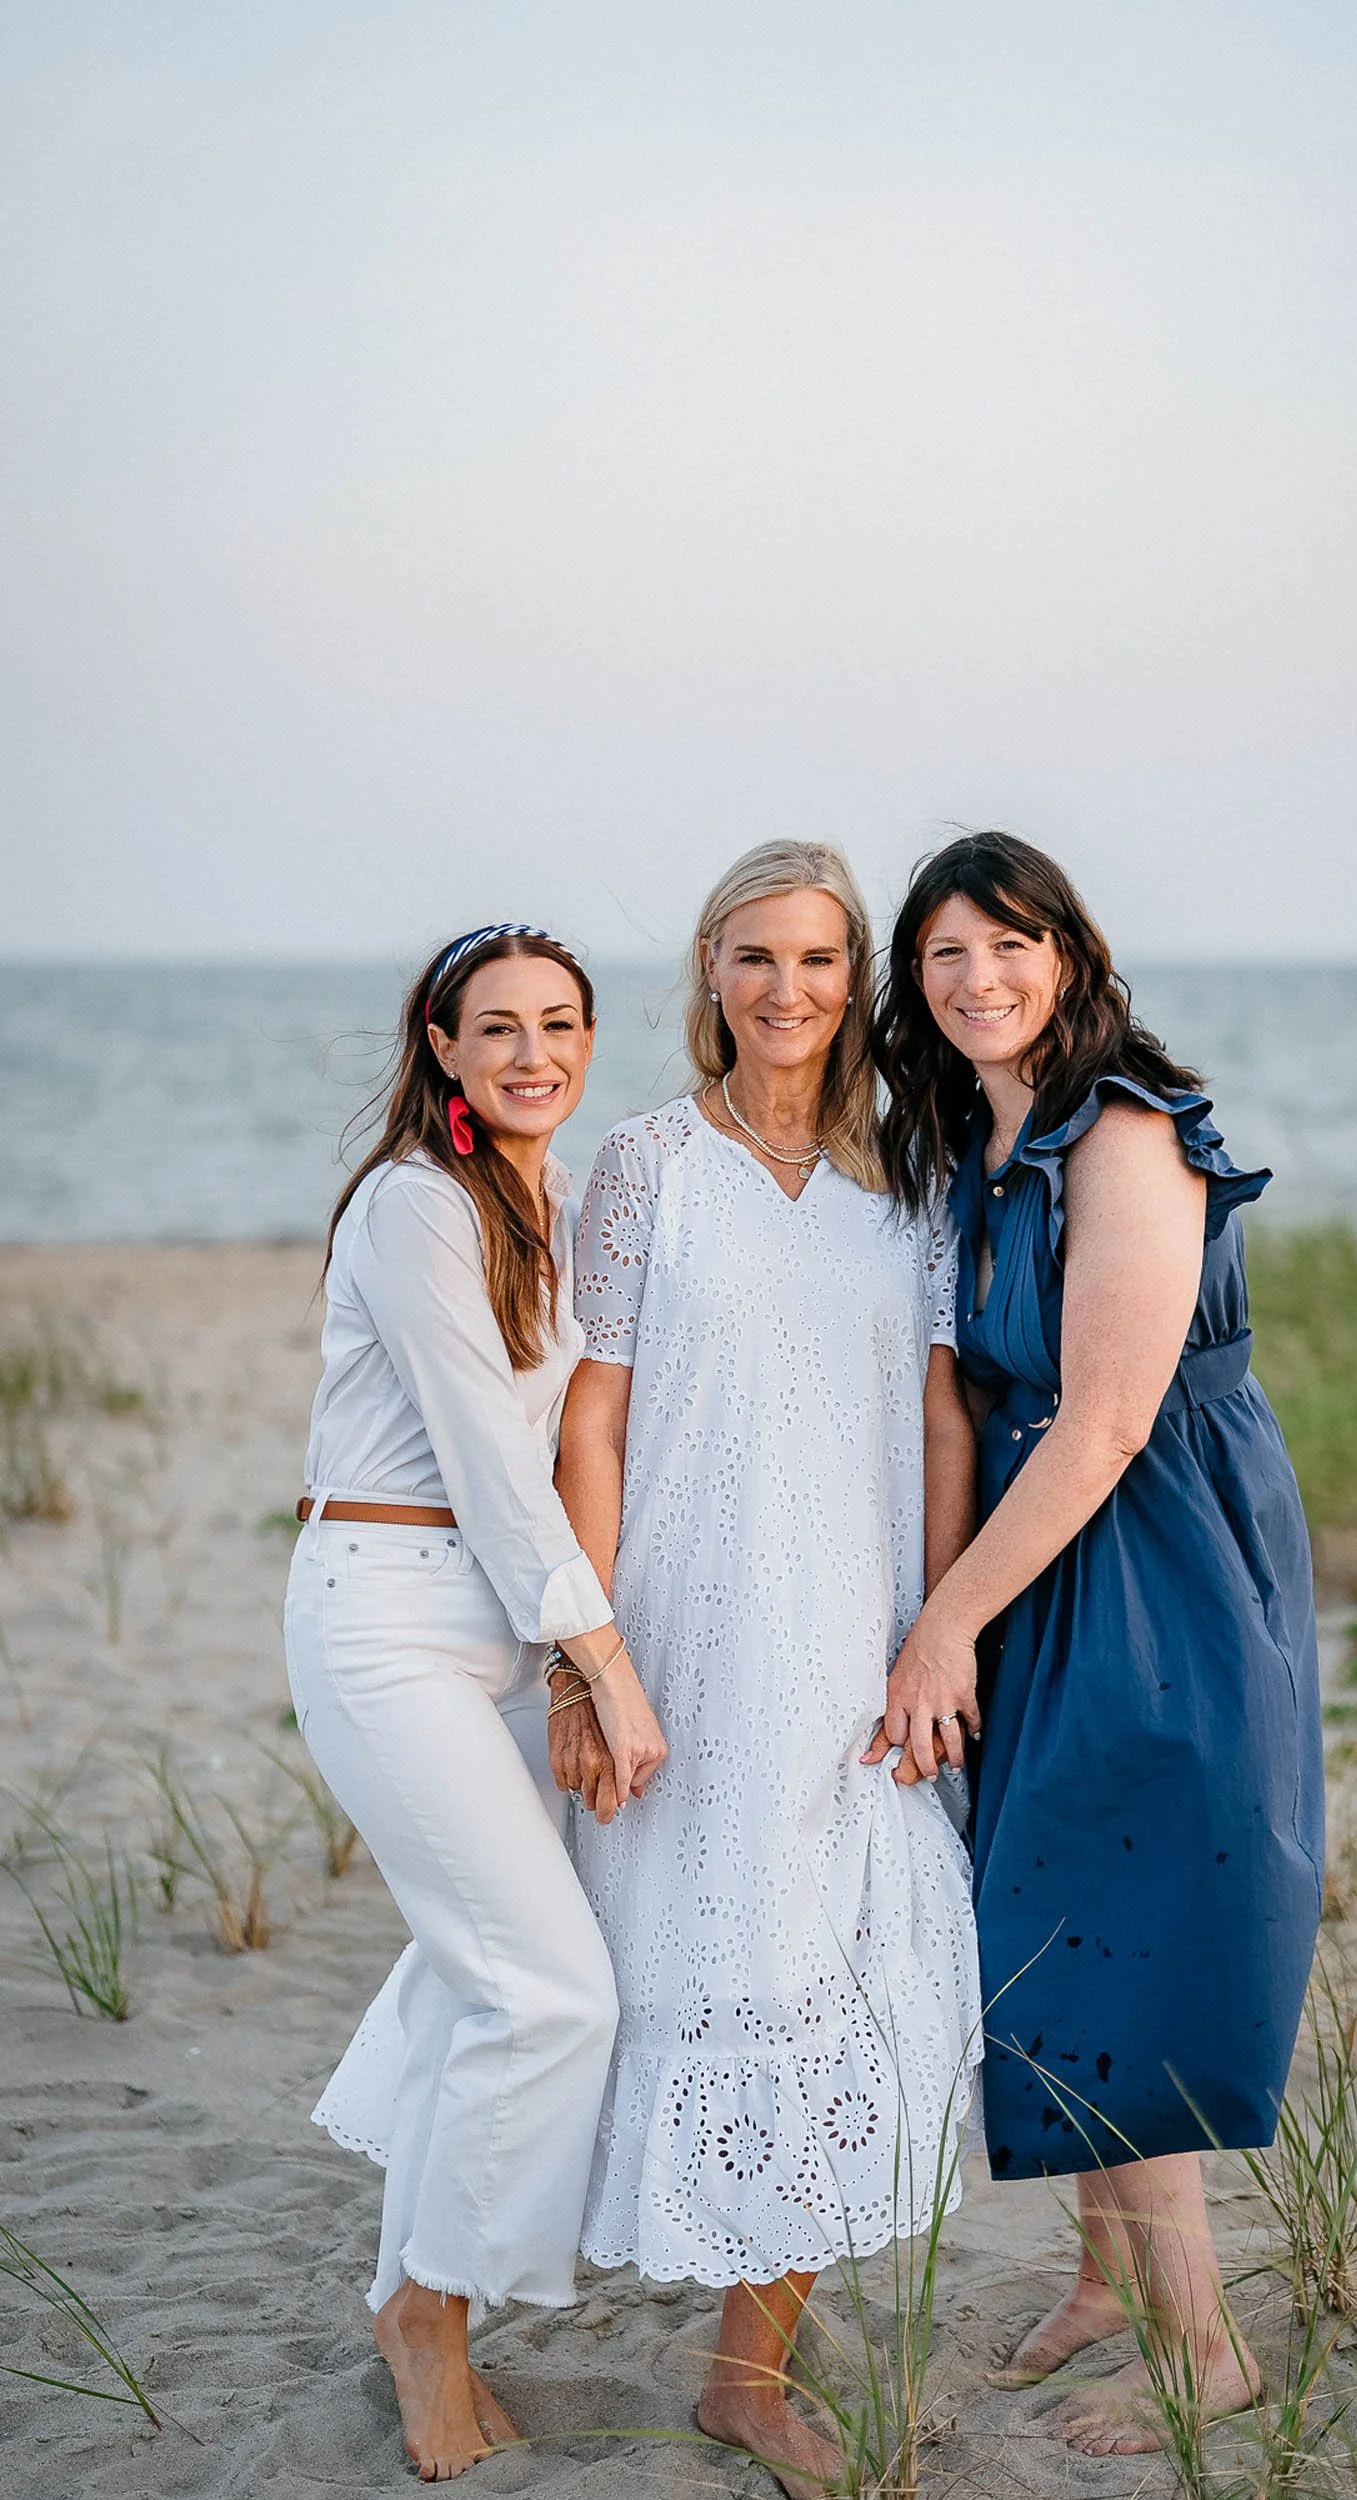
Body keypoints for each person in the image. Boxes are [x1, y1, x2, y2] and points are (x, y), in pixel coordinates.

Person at [868, 833, 1323, 2460]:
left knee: (1121, 1905)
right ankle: (1107, 2282)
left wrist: (942, 1623)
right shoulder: (976, 1132)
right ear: (913, 986)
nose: (978, 979)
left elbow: (1111, 1417)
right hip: (1039, 1543)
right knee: (1051, 1903)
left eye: (1008, 946)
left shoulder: (1120, 1129)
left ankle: (1202, 2347)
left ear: (1066, 954)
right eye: (943, 957)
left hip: (1149, 1551)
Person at [552, 841, 982, 2500]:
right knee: (644, 1970)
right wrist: (588, 1660)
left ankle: (746, 2374)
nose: (784, 992)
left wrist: (934, 1625)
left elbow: (941, 1413)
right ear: (708, 976)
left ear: (852, 979)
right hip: (679, 1630)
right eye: (752, 959)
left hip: (853, 1635)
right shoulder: (647, 1163)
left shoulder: (911, 1182)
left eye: (815, 961)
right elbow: (590, 1419)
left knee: (850, 1982)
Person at [286, 924, 666, 2484]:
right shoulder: (411, 1206)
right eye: (495, 1028)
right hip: (384, 1619)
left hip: (503, 1627)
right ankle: (429, 2319)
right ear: (438, 1045)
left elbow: (581, 1428)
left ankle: (408, 2296)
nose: (532, 1054)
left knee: (473, 1982)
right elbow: (488, 1461)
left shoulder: (556, 1203)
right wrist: (608, 1665)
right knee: (552, 1994)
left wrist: (568, 1654)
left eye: (559, 1024)